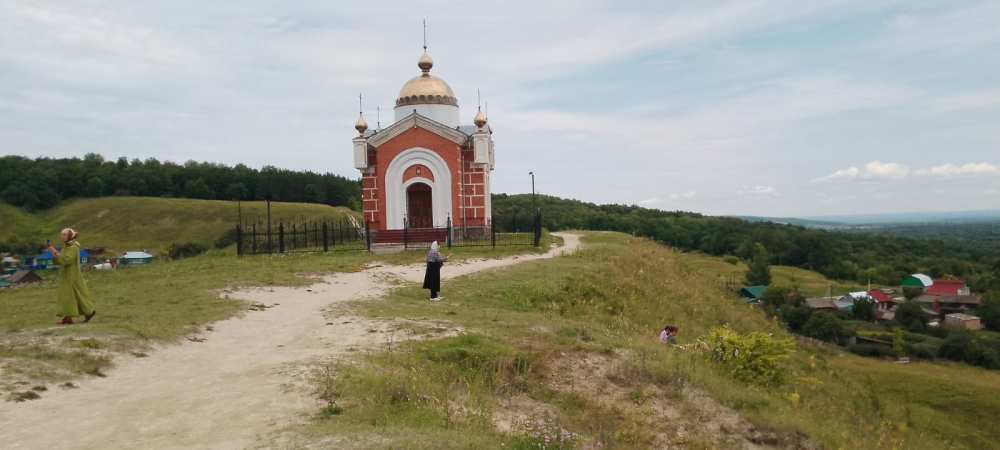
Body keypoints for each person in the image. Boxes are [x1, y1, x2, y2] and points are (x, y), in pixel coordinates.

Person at [48, 228, 96, 325]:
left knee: (72, 296)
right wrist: (53, 252)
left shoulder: (73, 247)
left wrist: (53, 251)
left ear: (70, 236)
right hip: (66, 275)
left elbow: (67, 260)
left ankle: (88, 312)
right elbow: (60, 260)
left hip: (72, 276)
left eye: (64, 234)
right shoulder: (66, 247)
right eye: (61, 234)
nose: (62, 236)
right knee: (69, 296)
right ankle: (69, 317)